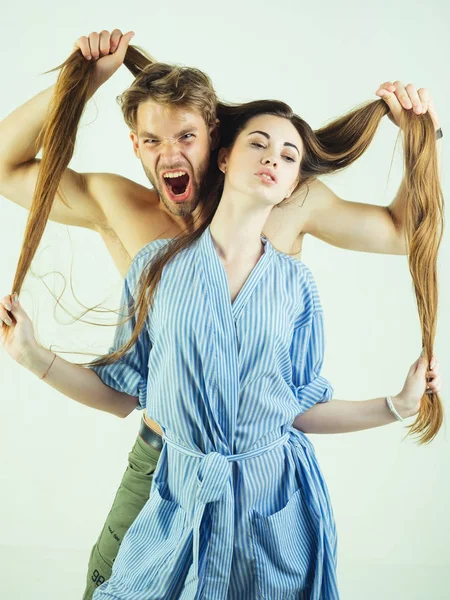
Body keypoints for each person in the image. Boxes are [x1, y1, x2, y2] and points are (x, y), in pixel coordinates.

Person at [0, 29, 443, 597]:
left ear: (216, 140)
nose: (169, 154)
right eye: (151, 140)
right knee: (108, 583)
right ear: (134, 145)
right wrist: (81, 83)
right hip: (162, 461)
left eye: (185, 135)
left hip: (261, 477)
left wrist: (420, 139)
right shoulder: (118, 205)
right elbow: (9, 168)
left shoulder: (286, 200)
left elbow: (407, 231)